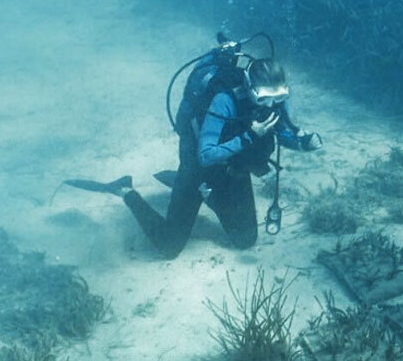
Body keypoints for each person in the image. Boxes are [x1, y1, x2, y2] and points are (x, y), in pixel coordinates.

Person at [67, 55, 321, 258]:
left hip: (233, 171)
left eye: (279, 97)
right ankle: (125, 190)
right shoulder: (224, 100)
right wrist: (249, 136)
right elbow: (205, 155)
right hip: (198, 171)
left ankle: (209, 197)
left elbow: (280, 132)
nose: (271, 104)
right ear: (251, 88)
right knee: (169, 246)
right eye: (265, 98)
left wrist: (303, 144)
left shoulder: (274, 101)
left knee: (245, 240)